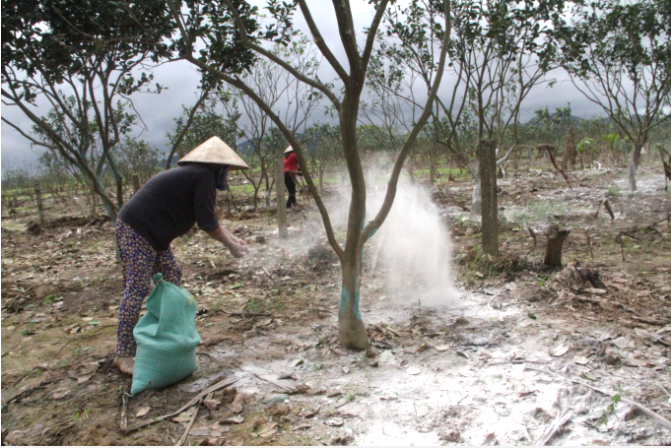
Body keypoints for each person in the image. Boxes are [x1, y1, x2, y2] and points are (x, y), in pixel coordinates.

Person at [113, 137, 249, 375]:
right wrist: (230, 246)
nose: (226, 175)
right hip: (137, 229)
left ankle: (167, 335)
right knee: (136, 288)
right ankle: (123, 354)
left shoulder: (196, 176)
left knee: (172, 274)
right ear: (219, 167)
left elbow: (209, 219)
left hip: (155, 236)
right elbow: (208, 225)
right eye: (226, 170)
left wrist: (233, 239)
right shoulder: (204, 176)